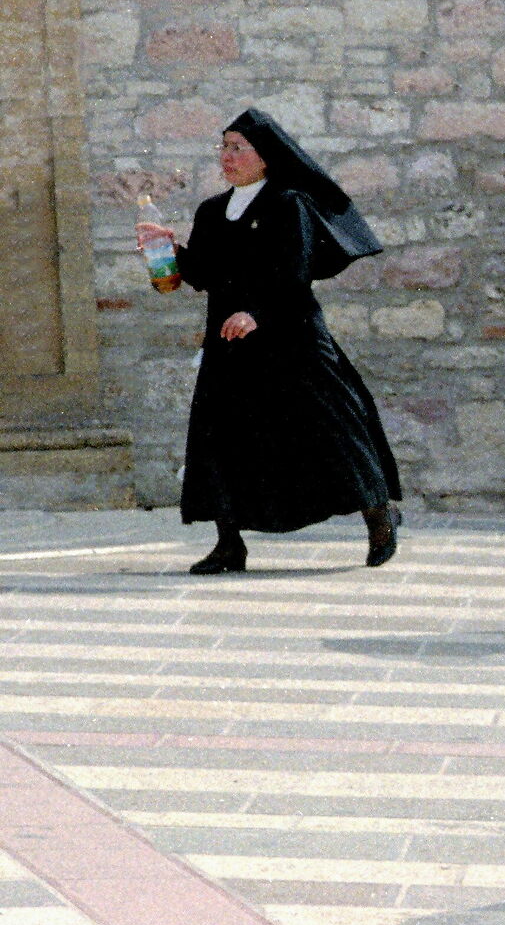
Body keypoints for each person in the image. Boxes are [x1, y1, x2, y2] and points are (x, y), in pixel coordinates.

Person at [134, 108, 402, 575]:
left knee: (334, 428)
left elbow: (294, 274)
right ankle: (228, 543)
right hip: (230, 342)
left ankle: (379, 514)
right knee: (222, 438)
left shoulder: (287, 203)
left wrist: (256, 313)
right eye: (223, 146)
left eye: (238, 147)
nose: (227, 155)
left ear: (266, 156)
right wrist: (168, 250)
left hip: (291, 336)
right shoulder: (212, 211)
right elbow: (201, 275)